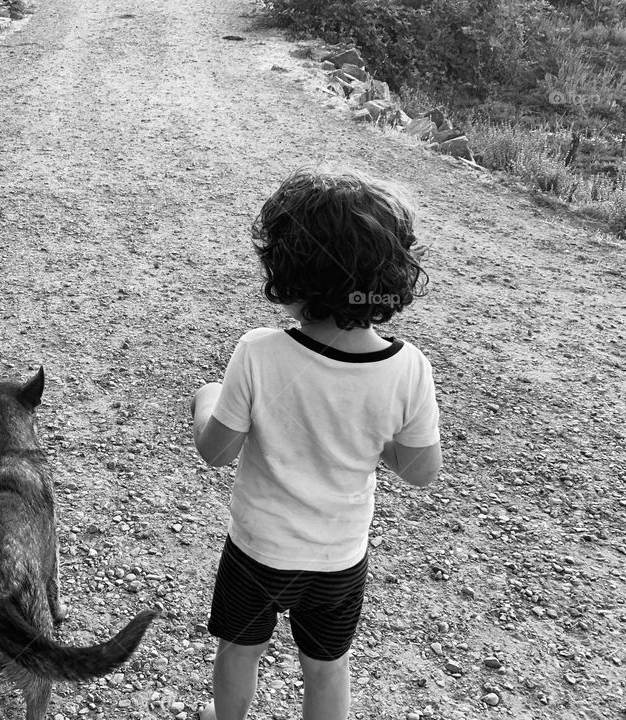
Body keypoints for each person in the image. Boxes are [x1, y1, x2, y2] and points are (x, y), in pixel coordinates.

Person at [190, 170, 442, 720]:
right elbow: (420, 470)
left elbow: (217, 451)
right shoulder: (409, 368)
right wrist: (370, 437)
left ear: (286, 274)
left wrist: (207, 399)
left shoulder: (259, 352)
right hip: (339, 558)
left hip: (258, 551)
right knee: (328, 667)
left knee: (239, 651)